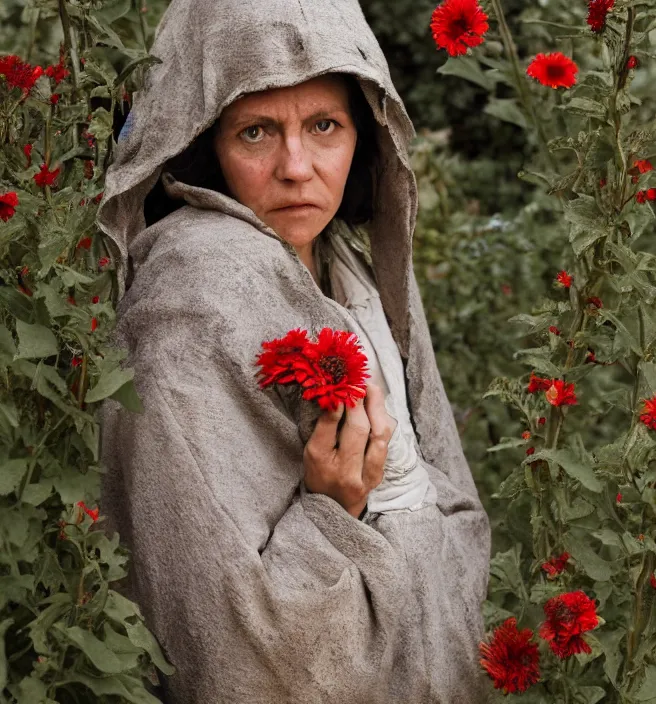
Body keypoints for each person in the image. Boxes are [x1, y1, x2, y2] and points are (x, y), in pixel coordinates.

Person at [97, 0, 492, 702]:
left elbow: (436, 480)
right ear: (203, 144)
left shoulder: (346, 265)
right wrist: (330, 509)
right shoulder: (196, 292)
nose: (297, 167)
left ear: (363, 138)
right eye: (256, 132)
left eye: (324, 126)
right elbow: (221, 635)